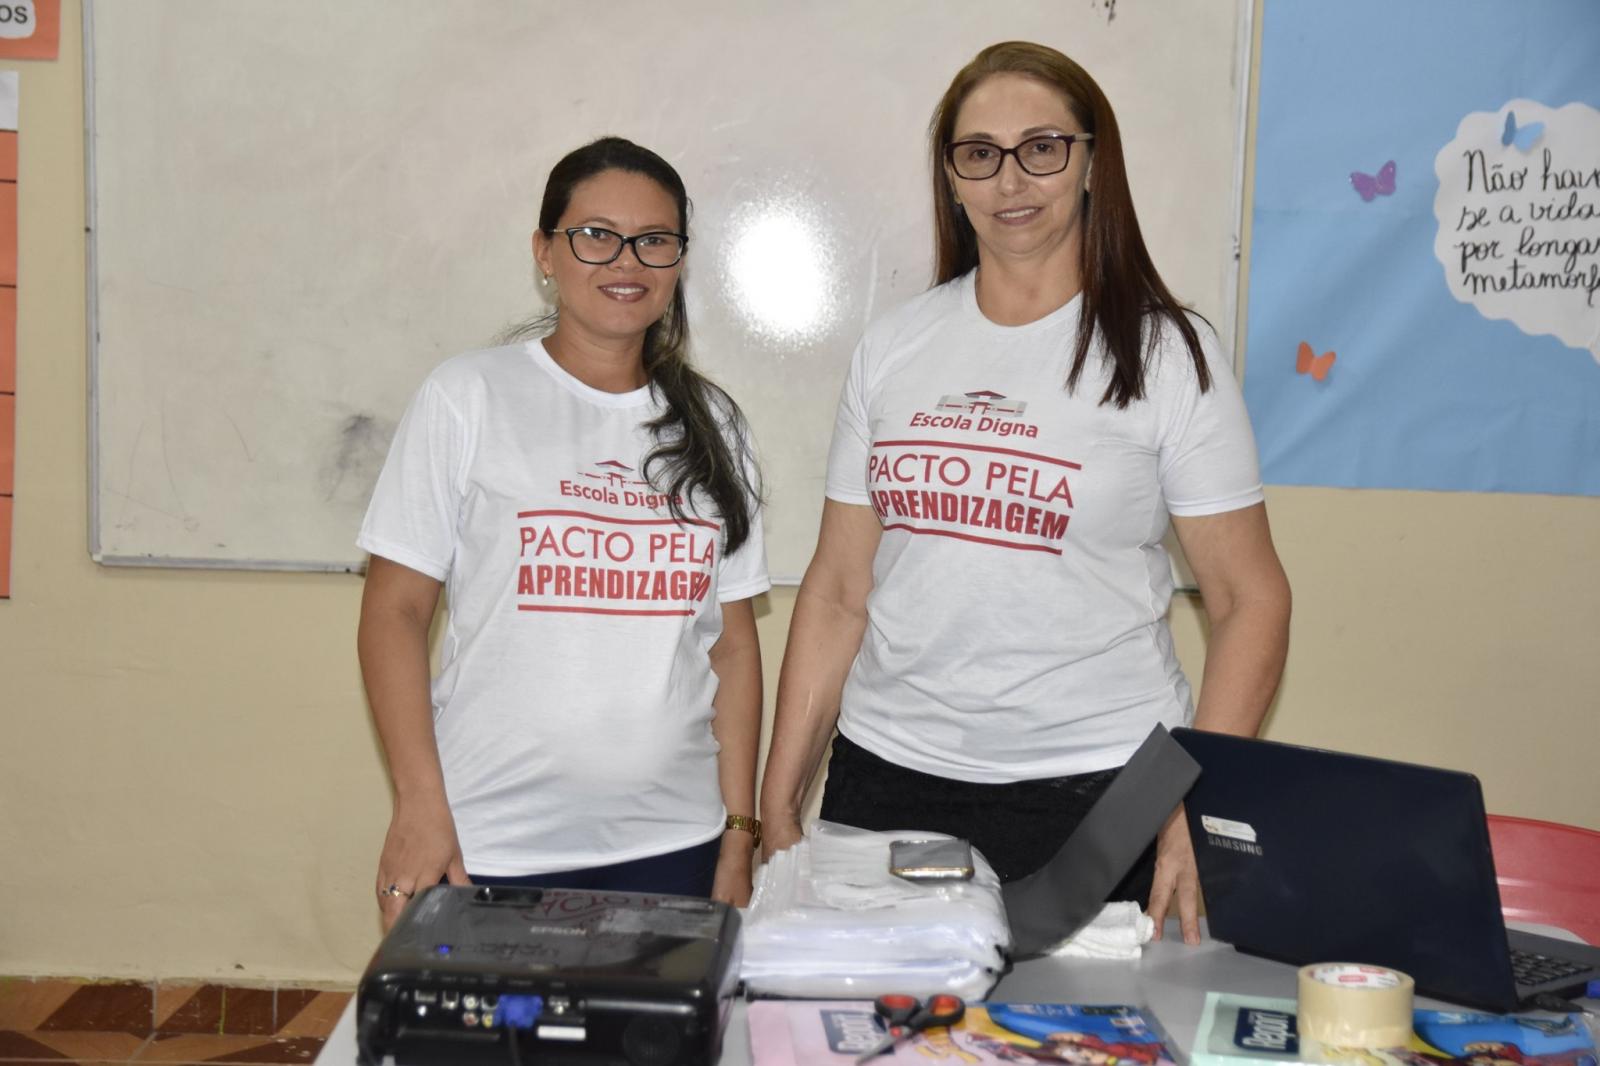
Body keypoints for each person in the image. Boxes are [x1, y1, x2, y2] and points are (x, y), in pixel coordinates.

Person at [758, 42, 1291, 943]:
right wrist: (775, 810)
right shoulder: (895, 347)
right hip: (887, 780)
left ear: (1091, 162)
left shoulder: (1168, 355)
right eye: (980, 153)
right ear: (952, 177)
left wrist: (1196, 803)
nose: (1012, 179)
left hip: (1103, 794)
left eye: (1042, 147)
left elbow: (1251, 598)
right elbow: (839, 590)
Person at [357, 137, 769, 930]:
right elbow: (394, 614)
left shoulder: (715, 424)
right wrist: (418, 805)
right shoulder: (469, 395)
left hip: (675, 844)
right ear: (546, 251)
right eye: (595, 235)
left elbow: (735, 648)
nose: (627, 260)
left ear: (680, 259)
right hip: (492, 840)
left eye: (655, 239)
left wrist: (737, 834)